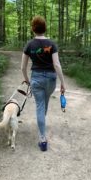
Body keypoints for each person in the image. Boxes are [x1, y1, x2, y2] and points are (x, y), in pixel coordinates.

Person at [21, 15, 66, 152]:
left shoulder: (29, 44)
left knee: (40, 106)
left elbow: (22, 67)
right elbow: (57, 64)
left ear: (33, 29)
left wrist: (27, 80)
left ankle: (42, 138)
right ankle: (42, 124)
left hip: (36, 79)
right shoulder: (52, 44)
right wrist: (62, 83)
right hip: (51, 80)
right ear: (44, 28)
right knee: (44, 104)